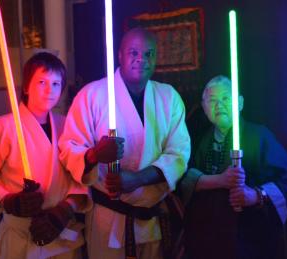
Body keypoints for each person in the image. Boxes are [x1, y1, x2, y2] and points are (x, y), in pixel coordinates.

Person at [58, 27, 190, 259]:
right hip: (109, 221)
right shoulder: (91, 95)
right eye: (133, 52)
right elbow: (69, 148)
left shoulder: (169, 96)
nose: (142, 59)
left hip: (153, 222)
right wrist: (94, 155)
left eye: (149, 54)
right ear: (119, 55)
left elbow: (179, 154)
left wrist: (137, 179)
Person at [0, 52, 91, 259]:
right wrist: (8, 200)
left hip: (62, 237)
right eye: (41, 82)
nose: (50, 90)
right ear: (27, 87)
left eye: (56, 84)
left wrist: (65, 210)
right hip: (21, 240)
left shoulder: (66, 125)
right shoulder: (3, 127)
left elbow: (81, 177)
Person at [178, 75, 287, 259]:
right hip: (207, 239)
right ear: (204, 108)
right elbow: (182, 180)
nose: (218, 105)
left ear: (240, 102)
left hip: (250, 238)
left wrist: (257, 195)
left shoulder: (259, 136)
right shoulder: (197, 141)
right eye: (212, 101)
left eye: (225, 98)